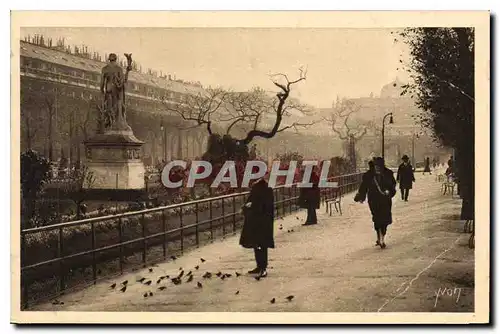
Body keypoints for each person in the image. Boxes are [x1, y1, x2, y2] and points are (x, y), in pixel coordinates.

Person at [354, 157, 397, 249]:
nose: (377, 168)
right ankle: (380, 236)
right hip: (374, 200)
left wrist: (389, 191)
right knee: (377, 218)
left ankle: (382, 235)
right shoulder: (369, 175)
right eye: (375, 166)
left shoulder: (388, 173)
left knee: (385, 218)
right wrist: (361, 196)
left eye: (378, 166)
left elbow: (393, 184)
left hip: (385, 199)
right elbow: (364, 186)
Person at [239, 175, 275, 278]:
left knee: (259, 245)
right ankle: (261, 266)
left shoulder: (260, 188)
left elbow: (256, 204)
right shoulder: (266, 188)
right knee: (260, 245)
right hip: (264, 221)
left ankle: (262, 267)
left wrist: (248, 207)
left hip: (258, 221)